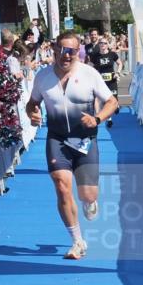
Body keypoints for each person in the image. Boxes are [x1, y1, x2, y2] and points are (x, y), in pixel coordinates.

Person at [26, 32, 119, 260]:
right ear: (54, 50)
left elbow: (112, 102)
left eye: (72, 51)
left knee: (87, 195)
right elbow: (32, 103)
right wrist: (32, 114)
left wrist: (97, 119)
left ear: (78, 52)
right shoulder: (43, 77)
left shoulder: (90, 74)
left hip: (86, 140)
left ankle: (90, 202)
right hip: (57, 139)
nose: (66, 56)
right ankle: (77, 241)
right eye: (62, 50)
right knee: (61, 186)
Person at [89, 37, 121, 128]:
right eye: (101, 43)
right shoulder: (95, 56)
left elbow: (120, 63)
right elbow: (90, 67)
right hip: (101, 81)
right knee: (105, 100)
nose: (103, 45)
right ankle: (109, 119)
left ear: (107, 45)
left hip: (111, 80)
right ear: (99, 45)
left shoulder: (112, 54)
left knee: (114, 99)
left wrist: (118, 72)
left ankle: (116, 106)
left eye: (105, 43)